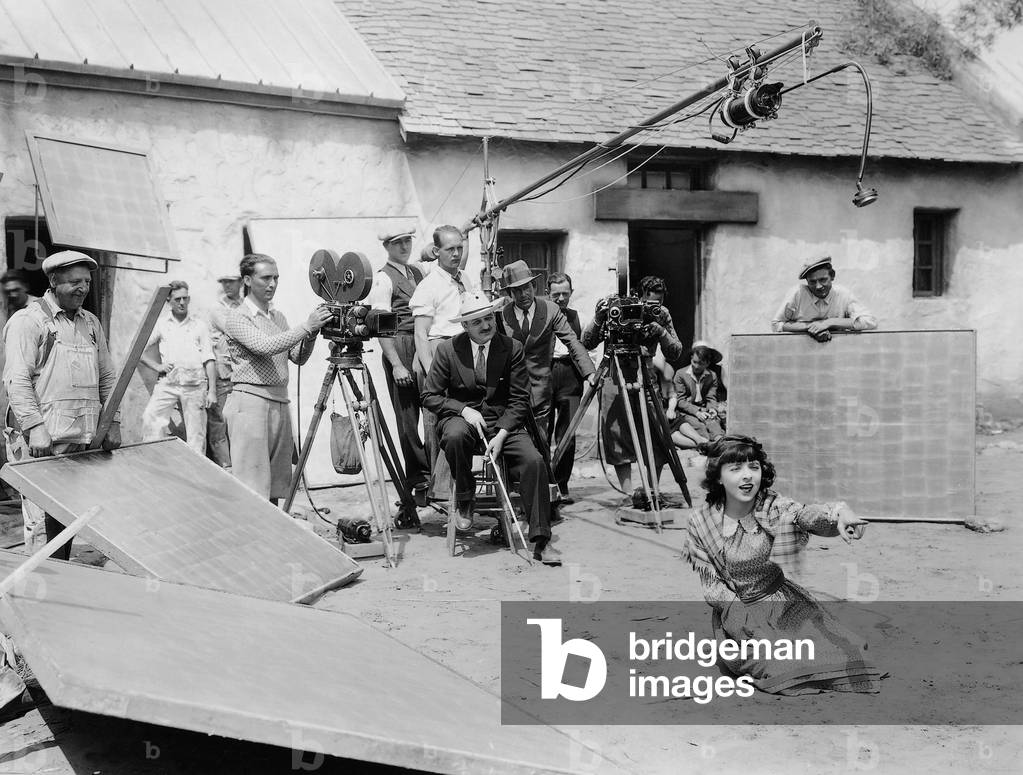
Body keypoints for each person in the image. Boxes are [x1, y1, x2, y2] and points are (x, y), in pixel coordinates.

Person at [682, 435, 880, 695]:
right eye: (735, 469)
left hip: (784, 605)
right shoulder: (701, 521)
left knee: (845, 653)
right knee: (776, 665)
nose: (747, 476)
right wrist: (747, 623)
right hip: (738, 614)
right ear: (718, 477)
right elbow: (713, 587)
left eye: (753, 467)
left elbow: (803, 515)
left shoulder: (770, 506)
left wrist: (839, 515)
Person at [421, 292, 560, 565]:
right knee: (454, 435)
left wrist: (503, 434)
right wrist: (463, 409)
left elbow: (520, 399)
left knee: (534, 461)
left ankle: (541, 539)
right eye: (477, 322)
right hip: (463, 420)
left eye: (488, 318)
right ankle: (465, 498)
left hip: (503, 423)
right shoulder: (448, 350)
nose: (486, 326)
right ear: (464, 326)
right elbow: (429, 396)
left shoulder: (512, 348)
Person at [2, 250, 121, 557]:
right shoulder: (28, 321)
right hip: (40, 441)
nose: (81, 288)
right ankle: (40, 591)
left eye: (86, 282)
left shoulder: (91, 323)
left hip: (80, 437)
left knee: (68, 519)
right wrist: (34, 426)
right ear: (53, 281)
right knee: (42, 521)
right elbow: (16, 379)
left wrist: (112, 423)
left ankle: (61, 585)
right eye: (73, 282)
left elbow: (107, 377)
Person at [223, 254, 333, 504]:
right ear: (248, 280)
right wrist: (306, 326)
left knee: (275, 484)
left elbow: (297, 356)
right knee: (251, 485)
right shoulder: (237, 317)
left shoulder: (278, 317)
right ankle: (251, 537)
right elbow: (264, 346)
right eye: (266, 278)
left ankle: (269, 537)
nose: (272, 284)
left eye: (276, 278)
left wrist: (313, 332)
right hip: (250, 404)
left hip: (279, 403)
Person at [581, 275, 686, 505]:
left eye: (656, 305)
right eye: (647, 304)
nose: (651, 309)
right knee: (617, 436)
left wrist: (660, 331)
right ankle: (630, 496)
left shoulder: (662, 315)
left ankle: (653, 492)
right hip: (614, 375)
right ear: (638, 297)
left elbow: (676, 352)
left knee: (657, 434)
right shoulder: (615, 308)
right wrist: (599, 317)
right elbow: (587, 342)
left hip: (645, 375)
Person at [409, 226, 479, 488]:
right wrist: (432, 376)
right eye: (450, 249)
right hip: (438, 354)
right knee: (439, 424)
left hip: (462, 354)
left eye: (460, 248)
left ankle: (461, 487)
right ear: (437, 252)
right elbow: (420, 335)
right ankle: (441, 490)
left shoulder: (464, 279)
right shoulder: (429, 286)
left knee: (462, 423)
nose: (457, 254)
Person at [367, 226, 430, 506]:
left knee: (432, 410)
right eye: (398, 243)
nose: (405, 247)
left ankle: (435, 475)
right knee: (407, 419)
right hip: (399, 345)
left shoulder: (416, 272)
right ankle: (417, 479)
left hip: (422, 343)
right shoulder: (383, 279)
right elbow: (382, 326)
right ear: (387, 247)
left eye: (408, 241)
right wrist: (396, 364)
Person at [497, 260, 595, 427]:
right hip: (512, 394)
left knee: (542, 443)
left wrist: (590, 373)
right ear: (509, 293)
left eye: (527, 288)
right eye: (517, 291)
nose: (523, 295)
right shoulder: (501, 316)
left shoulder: (550, 310)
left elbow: (572, 341)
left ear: (534, 286)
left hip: (541, 390)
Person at [140, 281, 216, 455]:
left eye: (185, 298)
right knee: (150, 419)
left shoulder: (199, 325)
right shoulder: (161, 324)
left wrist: (212, 390)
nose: (182, 302)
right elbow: (139, 350)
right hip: (169, 383)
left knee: (196, 435)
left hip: (195, 385)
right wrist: (158, 366)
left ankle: (195, 476)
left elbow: (209, 358)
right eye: (177, 299)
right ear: (169, 301)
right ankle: (154, 462)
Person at [546, 272, 588, 503]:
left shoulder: (579, 317)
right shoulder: (541, 315)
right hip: (545, 375)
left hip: (571, 376)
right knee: (542, 431)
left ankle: (562, 484)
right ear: (547, 294)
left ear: (571, 292)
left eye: (565, 293)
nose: (561, 299)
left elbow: (587, 348)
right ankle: (544, 483)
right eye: (556, 294)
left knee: (567, 433)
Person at [771, 258, 878, 342]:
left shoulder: (842, 294)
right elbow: (776, 324)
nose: (818, 286)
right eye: (812, 282)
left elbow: (871, 321)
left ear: (832, 276)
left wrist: (830, 322)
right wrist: (812, 328)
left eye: (823, 280)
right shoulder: (797, 293)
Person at [206, 268, 243, 468]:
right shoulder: (217, 308)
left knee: (238, 422)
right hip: (222, 375)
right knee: (219, 423)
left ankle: (239, 467)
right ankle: (225, 466)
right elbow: (235, 330)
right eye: (224, 282)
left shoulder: (244, 305)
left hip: (240, 374)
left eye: (231, 281)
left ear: (240, 282)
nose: (227, 286)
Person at [667, 342, 725, 451]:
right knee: (700, 427)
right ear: (691, 359)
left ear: (707, 363)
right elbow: (680, 400)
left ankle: (720, 443)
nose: (697, 366)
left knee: (714, 423)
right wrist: (697, 412)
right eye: (694, 362)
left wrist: (712, 409)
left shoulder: (712, 376)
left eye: (701, 363)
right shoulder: (681, 374)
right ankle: (709, 446)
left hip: (704, 409)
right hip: (687, 411)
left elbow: (711, 397)